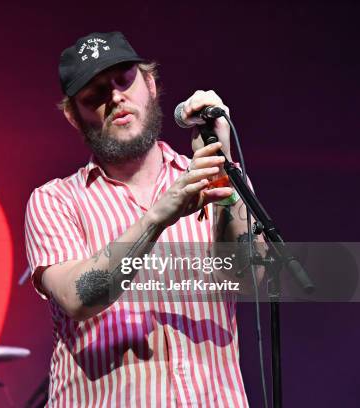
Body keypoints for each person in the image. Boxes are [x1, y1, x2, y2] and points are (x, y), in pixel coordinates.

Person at [25, 31, 263, 407]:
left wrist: (223, 170)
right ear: (74, 116)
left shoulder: (214, 177)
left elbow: (252, 279)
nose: (115, 97)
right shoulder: (55, 200)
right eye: (95, 93)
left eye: (124, 80)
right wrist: (156, 219)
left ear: (150, 83)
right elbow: (79, 296)